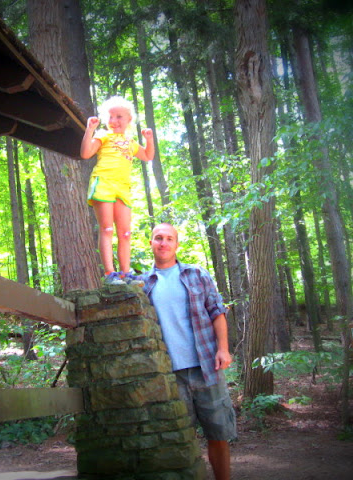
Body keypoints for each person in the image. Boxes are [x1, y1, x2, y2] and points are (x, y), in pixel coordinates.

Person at [139, 223, 236, 480]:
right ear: (151, 243)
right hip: (169, 374)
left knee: (218, 434)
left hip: (206, 368)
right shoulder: (143, 284)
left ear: (177, 244)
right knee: (180, 438)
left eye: (169, 238)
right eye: (158, 238)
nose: (163, 243)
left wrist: (223, 349)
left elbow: (217, 312)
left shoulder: (197, 274)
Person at [80, 96, 154, 285]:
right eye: (110, 117)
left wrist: (149, 139)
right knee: (106, 228)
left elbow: (147, 156)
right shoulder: (103, 136)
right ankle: (110, 274)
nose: (113, 121)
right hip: (103, 183)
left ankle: (125, 274)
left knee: (125, 233)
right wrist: (89, 130)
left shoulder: (130, 142)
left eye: (119, 117)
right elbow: (86, 153)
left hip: (123, 188)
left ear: (129, 119)